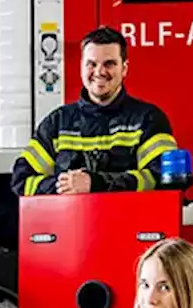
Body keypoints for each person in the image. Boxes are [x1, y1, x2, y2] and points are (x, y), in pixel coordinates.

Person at [10, 26, 178, 196]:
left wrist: (97, 183)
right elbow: (21, 181)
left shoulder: (148, 120)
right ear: (81, 67)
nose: (99, 72)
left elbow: (163, 179)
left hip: (129, 221)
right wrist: (65, 185)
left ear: (124, 68)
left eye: (109, 64)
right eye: (91, 64)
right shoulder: (57, 123)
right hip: (69, 222)